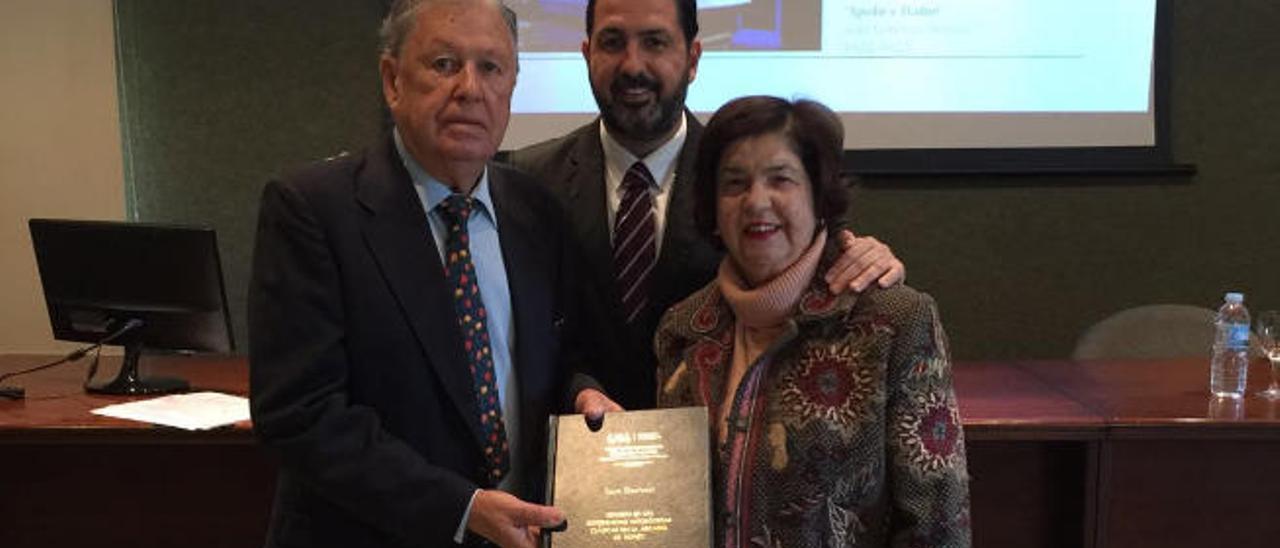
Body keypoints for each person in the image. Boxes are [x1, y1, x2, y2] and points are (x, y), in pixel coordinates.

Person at [248, 2, 614, 546]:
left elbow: (559, 358)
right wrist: (461, 509)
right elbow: (301, 415)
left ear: (513, 82)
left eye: (491, 67)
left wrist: (584, 392)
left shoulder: (537, 211)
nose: (470, 88)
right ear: (392, 80)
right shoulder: (312, 211)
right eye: (444, 64)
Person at [508, 0, 906, 410]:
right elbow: (521, 332)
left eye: (655, 42)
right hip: (577, 454)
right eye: (612, 43)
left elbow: (823, 272)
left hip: (722, 457)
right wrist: (578, 389)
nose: (632, 66)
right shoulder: (531, 181)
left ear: (693, 57)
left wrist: (868, 260)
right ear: (587, 54)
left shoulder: (738, 181)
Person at [654, 96, 971, 547]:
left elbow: (937, 527)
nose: (756, 201)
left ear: (818, 194)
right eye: (734, 183)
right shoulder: (683, 329)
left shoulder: (892, 322)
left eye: (780, 179)